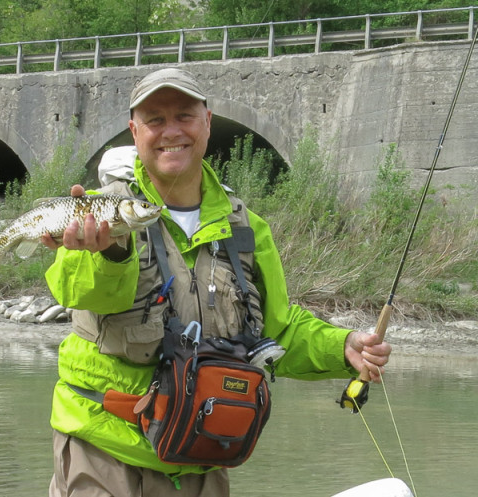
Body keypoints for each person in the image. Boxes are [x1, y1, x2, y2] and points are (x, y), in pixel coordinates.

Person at [40, 67, 392, 497]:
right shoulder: (96, 212)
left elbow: (277, 332)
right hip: (104, 453)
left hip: (203, 454)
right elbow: (78, 292)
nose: (171, 131)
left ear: (207, 123)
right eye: (155, 119)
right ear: (135, 132)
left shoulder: (249, 228)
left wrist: (343, 346)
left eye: (184, 116)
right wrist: (111, 253)